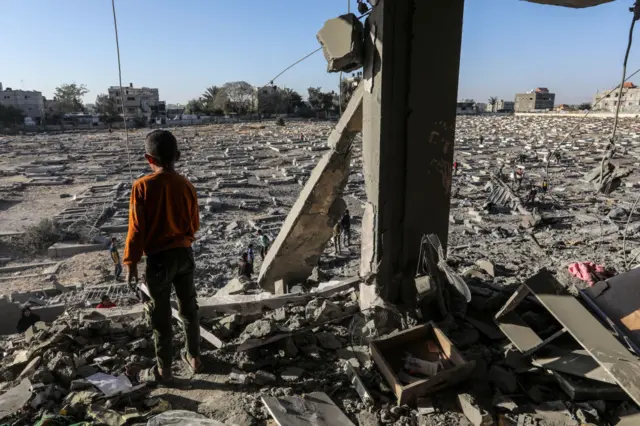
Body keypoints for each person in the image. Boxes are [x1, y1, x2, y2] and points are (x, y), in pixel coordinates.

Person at [124, 129, 201, 383]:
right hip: (184, 254)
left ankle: (164, 370)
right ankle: (194, 357)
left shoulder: (142, 186)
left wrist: (131, 262)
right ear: (177, 156)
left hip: (158, 260)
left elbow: (136, 229)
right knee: (189, 308)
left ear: (149, 159)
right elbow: (194, 224)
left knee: (161, 314)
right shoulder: (187, 185)